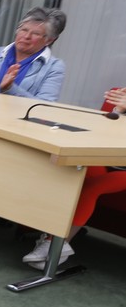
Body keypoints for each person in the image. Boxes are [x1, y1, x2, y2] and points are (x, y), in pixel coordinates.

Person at [23, 86, 126, 270]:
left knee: (91, 187)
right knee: (69, 169)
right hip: (108, 159)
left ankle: (56, 243)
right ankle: (49, 232)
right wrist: (119, 111)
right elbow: (105, 132)